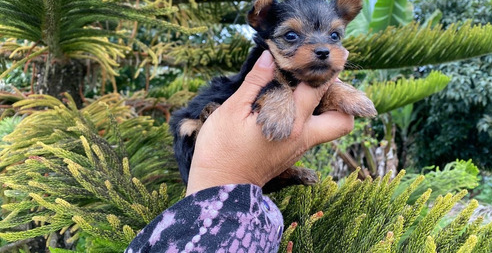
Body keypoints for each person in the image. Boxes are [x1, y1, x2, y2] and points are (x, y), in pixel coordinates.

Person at [126, 51, 354, 253]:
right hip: (198, 133)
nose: (319, 47)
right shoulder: (266, 71)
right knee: (184, 125)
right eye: (291, 36)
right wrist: (225, 175)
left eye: (333, 36)